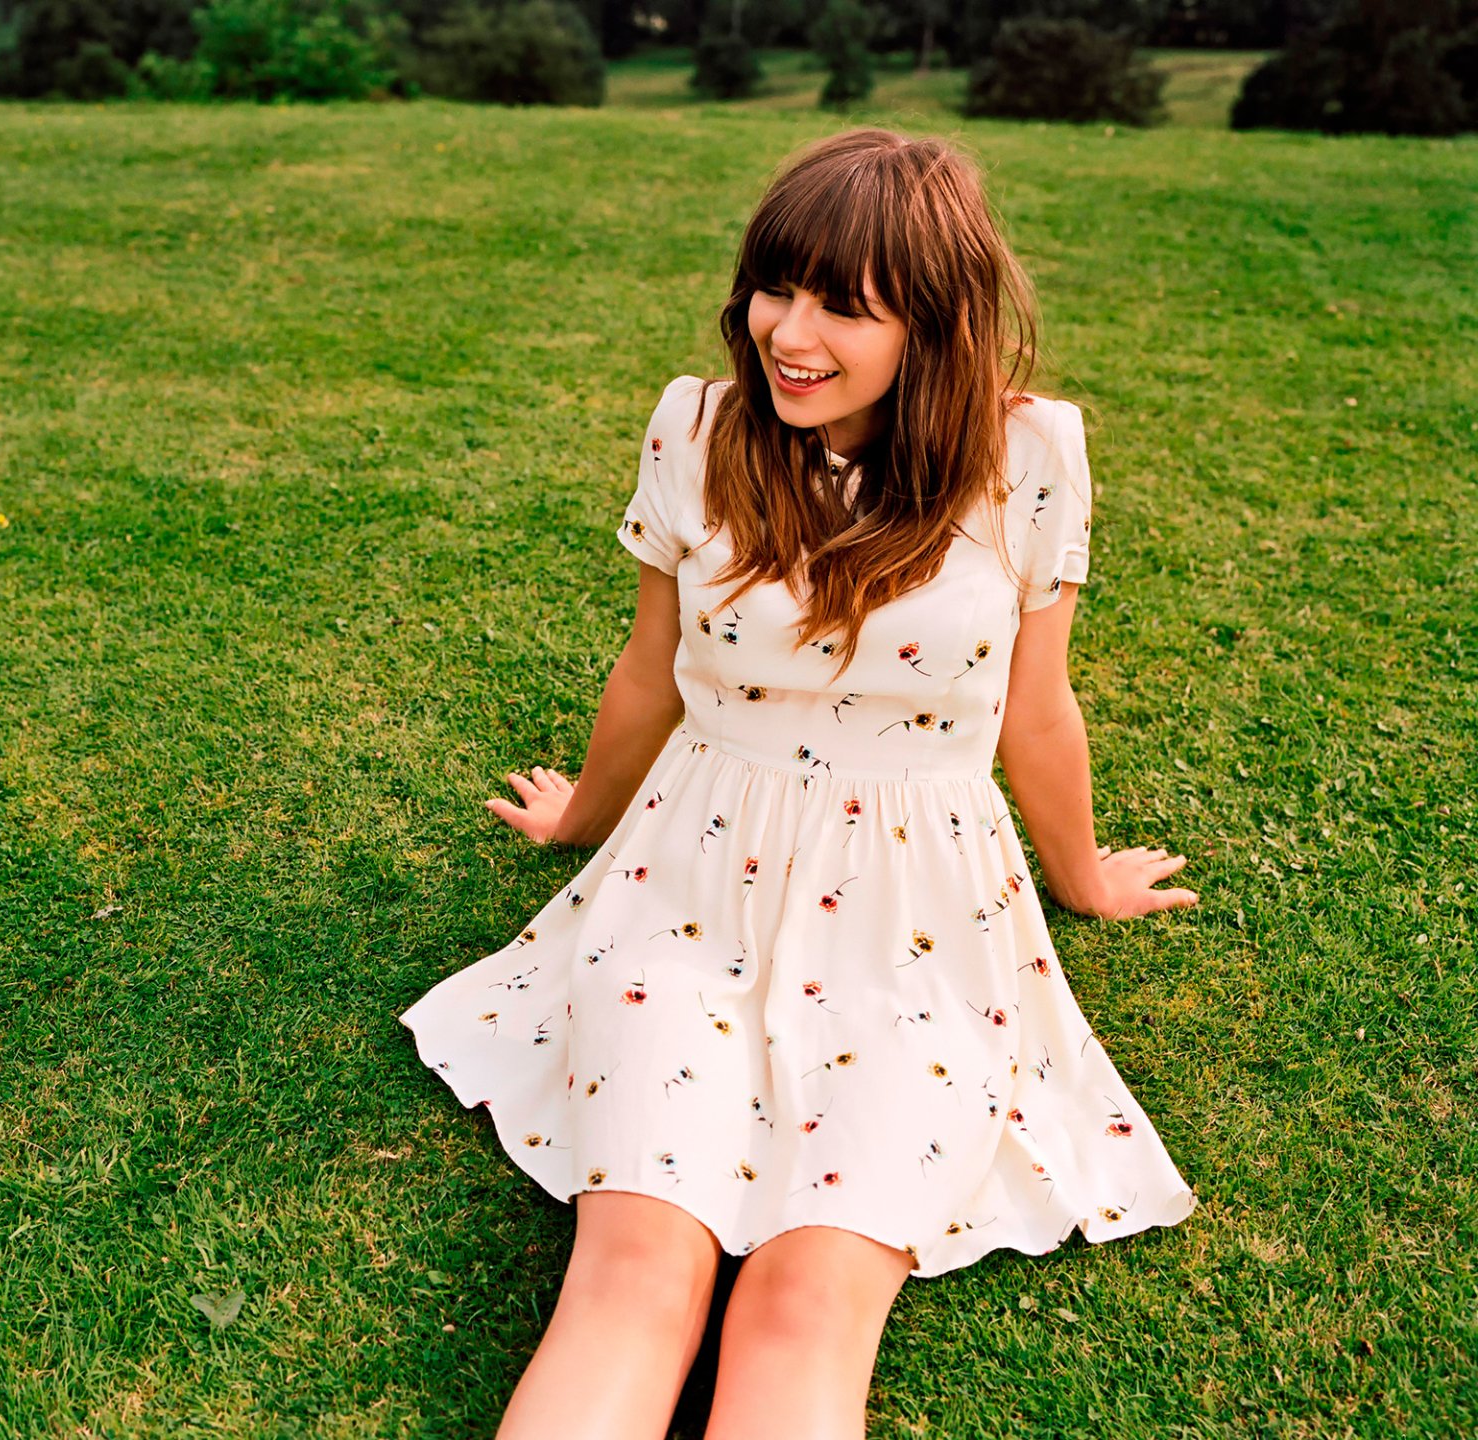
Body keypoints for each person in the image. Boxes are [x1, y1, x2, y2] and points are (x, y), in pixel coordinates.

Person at [397, 126, 1202, 1440]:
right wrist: (582, 819)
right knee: (633, 1273)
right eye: (777, 287)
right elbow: (652, 668)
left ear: (936, 324)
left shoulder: (1029, 456)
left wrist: (1082, 880)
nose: (789, 332)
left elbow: (1036, 706)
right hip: (687, 891)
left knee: (808, 1301)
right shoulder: (698, 427)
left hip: (919, 927)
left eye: (845, 306)